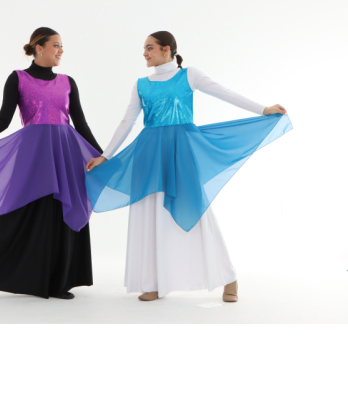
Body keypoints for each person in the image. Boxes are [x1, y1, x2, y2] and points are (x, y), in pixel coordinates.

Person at [85, 31, 291, 302]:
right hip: (148, 153)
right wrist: (105, 155)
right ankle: (153, 282)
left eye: (150, 47)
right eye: (144, 48)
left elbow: (225, 93)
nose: (145, 53)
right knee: (150, 213)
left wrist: (263, 110)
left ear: (166, 49)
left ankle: (228, 277)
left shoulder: (189, 75)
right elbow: (127, 121)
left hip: (181, 151)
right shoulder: (141, 84)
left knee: (196, 211)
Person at [0, 27, 102, 301]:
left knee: (59, 215)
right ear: (39, 48)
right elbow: (3, 120)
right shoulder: (18, 78)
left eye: (62, 45)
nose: (61, 50)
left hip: (64, 155)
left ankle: (57, 282)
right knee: (11, 217)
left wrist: (102, 155)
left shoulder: (68, 82)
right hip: (32, 156)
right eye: (56, 45)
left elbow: (81, 123)